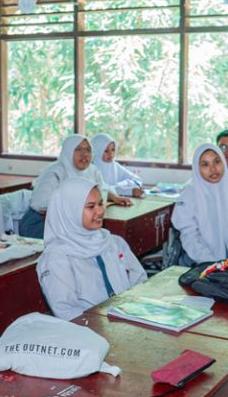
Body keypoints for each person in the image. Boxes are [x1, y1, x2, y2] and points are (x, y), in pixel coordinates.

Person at [37, 177, 147, 320]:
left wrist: (134, 312)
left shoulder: (113, 242)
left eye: (101, 204)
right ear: (70, 211)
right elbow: (66, 311)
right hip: (89, 332)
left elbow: (139, 280)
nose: (100, 211)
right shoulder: (57, 257)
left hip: (126, 320)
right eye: (90, 206)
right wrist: (106, 323)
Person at [19, 134, 132, 239]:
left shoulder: (92, 171)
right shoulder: (54, 173)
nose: (85, 154)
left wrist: (114, 197)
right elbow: (41, 204)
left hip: (75, 224)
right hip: (42, 224)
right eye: (78, 150)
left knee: (106, 239)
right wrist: (79, 207)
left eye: (88, 150)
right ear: (68, 152)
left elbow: (101, 188)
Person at [171, 143, 228, 265]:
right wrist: (209, 262)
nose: (213, 169)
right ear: (197, 168)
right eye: (205, 164)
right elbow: (190, 236)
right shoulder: (189, 195)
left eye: (217, 162)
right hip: (200, 261)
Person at [90, 133, 144, 197]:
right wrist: (128, 191)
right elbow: (102, 191)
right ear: (97, 151)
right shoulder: (91, 169)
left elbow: (137, 180)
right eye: (106, 151)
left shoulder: (114, 165)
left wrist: (119, 185)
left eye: (113, 150)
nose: (111, 154)